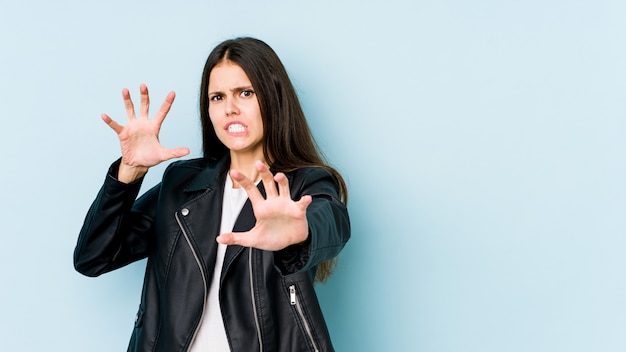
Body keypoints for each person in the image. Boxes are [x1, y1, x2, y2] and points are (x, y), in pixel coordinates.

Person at [73, 37, 350, 352]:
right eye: (217, 97)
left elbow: (333, 223)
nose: (230, 108)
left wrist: (302, 232)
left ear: (272, 98)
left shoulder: (304, 185)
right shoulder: (183, 184)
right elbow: (93, 257)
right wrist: (129, 173)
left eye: (245, 93)